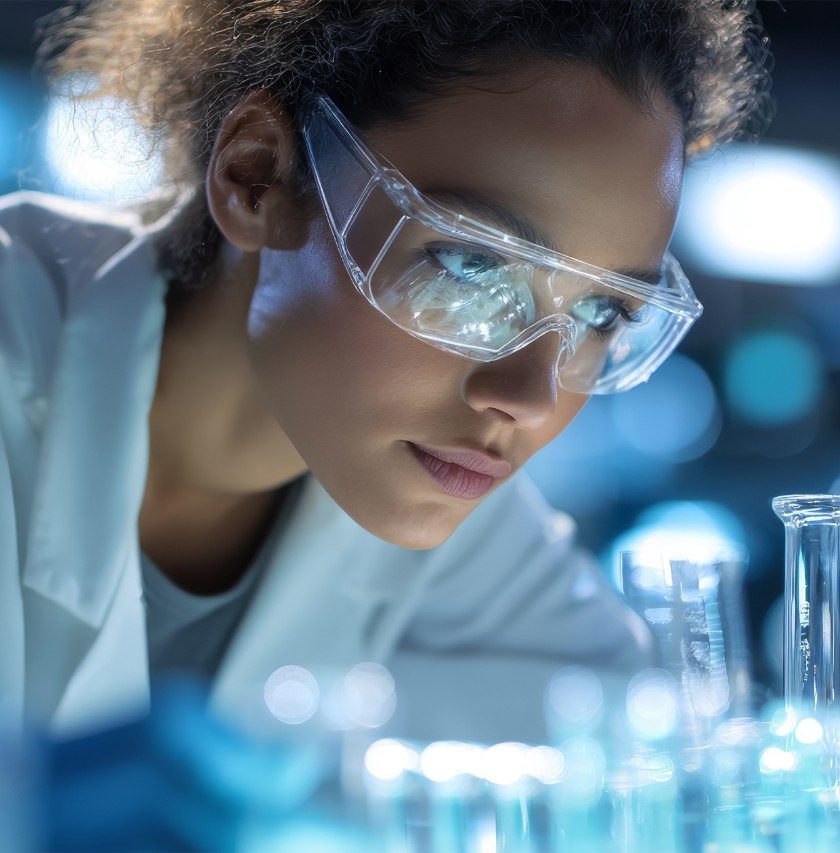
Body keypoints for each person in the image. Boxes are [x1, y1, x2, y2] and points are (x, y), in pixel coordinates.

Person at [0, 0, 772, 846]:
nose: (532, 396)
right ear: (256, 177)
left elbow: (662, 760)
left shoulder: (434, 489)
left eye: (600, 314)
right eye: (470, 264)